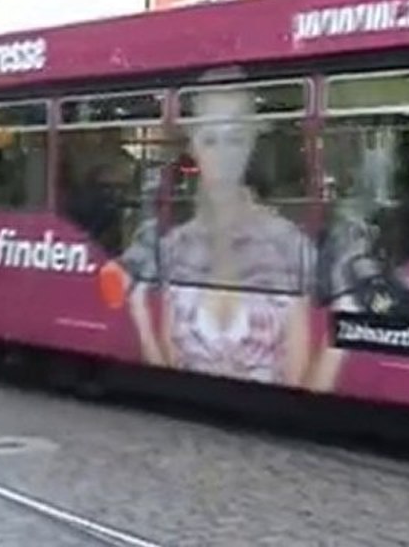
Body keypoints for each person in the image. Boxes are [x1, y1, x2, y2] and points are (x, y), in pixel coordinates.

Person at [106, 67, 321, 388]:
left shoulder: (290, 246)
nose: (222, 158)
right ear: (192, 144)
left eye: (234, 138)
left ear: (252, 141)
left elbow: (298, 378)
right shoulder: (170, 246)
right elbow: (168, 366)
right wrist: (138, 311)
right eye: (209, 139)